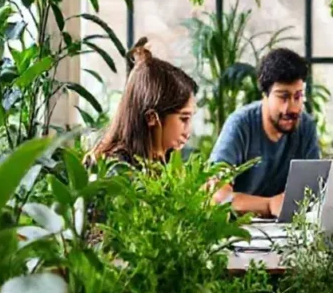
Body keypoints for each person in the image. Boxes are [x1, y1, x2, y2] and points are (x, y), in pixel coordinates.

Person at [209, 48, 320, 217]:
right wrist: (269, 205)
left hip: (286, 233)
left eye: (297, 96)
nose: (291, 108)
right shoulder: (240, 125)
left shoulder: (305, 127)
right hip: (239, 232)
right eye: (283, 97)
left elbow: (315, 190)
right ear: (265, 95)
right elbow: (216, 195)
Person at [88, 42, 197, 166]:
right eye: (184, 119)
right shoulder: (118, 168)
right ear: (151, 118)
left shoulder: (158, 160)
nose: (188, 131)